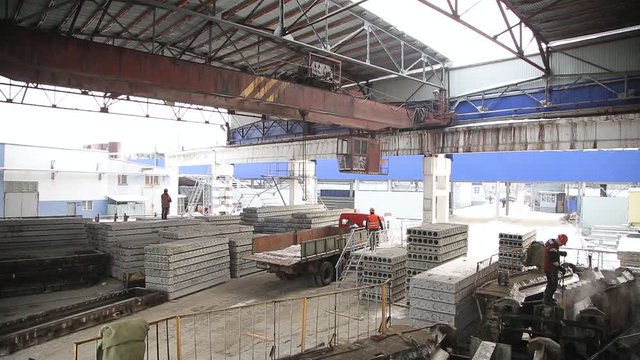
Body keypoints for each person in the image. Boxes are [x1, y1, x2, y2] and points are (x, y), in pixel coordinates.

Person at [543, 234, 568, 305]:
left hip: (548, 267)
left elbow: (552, 253)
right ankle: (547, 300)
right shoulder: (553, 247)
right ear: (559, 241)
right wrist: (561, 269)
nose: (562, 245)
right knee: (553, 284)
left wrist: (560, 253)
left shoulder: (552, 243)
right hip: (550, 268)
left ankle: (548, 298)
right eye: (562, 244)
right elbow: (554, 261)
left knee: (550, 283)